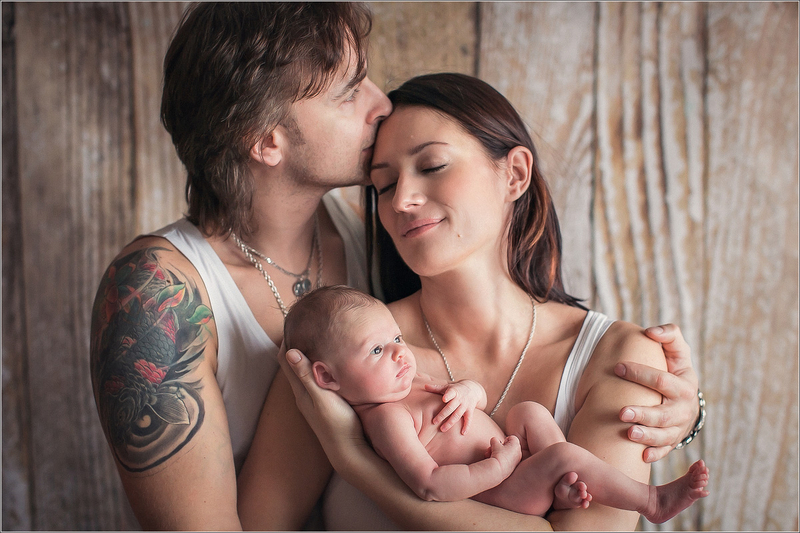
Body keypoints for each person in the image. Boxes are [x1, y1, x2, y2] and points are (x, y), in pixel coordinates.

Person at [88, 3, 703, 530]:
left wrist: (683, 408)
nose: (379, 103)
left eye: (430, 167)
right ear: (267, 140)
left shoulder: (374, 244)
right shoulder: (160, 294)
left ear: (514, 174)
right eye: (350, 90)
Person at [271, 72, 707, 531]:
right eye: (383, 186)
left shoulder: (620, 355)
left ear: (514, 174)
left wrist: (354, 459)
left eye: (432, 165)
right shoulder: (334, 354)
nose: (401, 200)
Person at [282, 285, 710, 524]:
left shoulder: (408, 382)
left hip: (511, 461)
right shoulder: (386, 419)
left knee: (529, 413)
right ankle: (650, 502)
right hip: (498, 492)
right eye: (376, 350)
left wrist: (470, 391)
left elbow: (476, 398)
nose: (399, 353)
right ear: (328, 378)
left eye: (396, 338)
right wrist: (499, 468)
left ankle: (563, 485)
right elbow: (430, 485)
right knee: (560, 454)